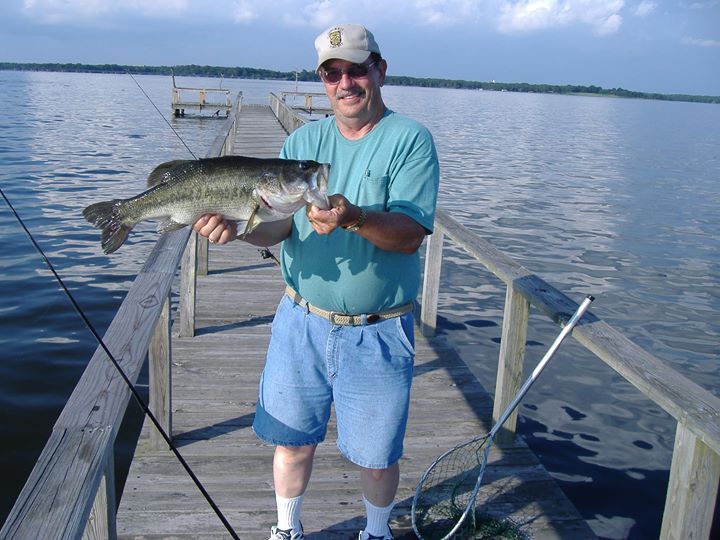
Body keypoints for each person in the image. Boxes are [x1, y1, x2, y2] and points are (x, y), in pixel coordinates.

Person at [193, 23, 439, 540]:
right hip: (300, 321)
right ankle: (286, 530)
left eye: (356, 69)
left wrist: (354, 218)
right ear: (322, 80)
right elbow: (282, 226)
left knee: (376, 457)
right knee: (292, 441)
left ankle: (375, 532)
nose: (345, 82)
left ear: (380, 70)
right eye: (332, 73)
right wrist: (239, 231)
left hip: (377, 329)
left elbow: (410, 234)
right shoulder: (304, 140)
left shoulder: (410, 140)